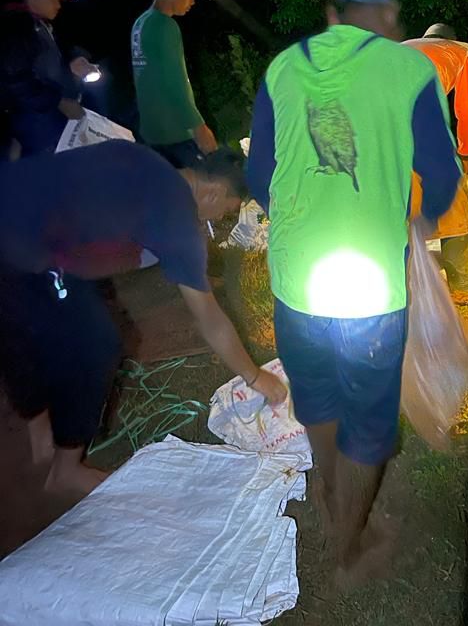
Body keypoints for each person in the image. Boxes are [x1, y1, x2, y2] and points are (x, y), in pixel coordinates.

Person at [248, 0, 461, 583]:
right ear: (390, 16)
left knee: (316, 393)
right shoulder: (410, 71)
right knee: (369, 413)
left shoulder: (283, 67)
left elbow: (260, 173)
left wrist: (302, 219)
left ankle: (330, 501)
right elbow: (442, 179)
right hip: (369, 283)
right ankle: (349, 547)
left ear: (331, 12)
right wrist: (412, 222)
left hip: (295, 278)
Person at [0, 140, 286, 498]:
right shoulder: (177, 216)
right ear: (212, 193)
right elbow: (209, 319)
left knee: (26, 327)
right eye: (227, 211)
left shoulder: (143, 157)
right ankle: (65, 470)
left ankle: (39, 431)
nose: (220, 220)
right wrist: (255, 376)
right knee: (97, 344)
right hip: (24, 246)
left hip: (13, 195)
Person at [403, 23, 468, 290]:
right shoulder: (459, 54)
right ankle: (463, 278)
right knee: (455, 198)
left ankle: (399, 281)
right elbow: (467, 112)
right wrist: (466, 152)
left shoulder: (401, 51)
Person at [0, 0, 98, 157]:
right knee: (44, 172)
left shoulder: (40, 25)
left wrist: (73, 61)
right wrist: (59, 102)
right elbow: (16, 78)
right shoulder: (18, 27)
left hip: (45, 118)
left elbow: (50, 58)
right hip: (36, 122)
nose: (58, 5)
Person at [131, 0, 217, 168]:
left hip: (151, 131)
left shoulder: (140, 23)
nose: (193, 1)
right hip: (175, 131)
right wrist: (198, 127)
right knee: (203, 190)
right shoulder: (165, 25)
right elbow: (174, 81)